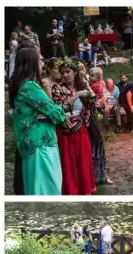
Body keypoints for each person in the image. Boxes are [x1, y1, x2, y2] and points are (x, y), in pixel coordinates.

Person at [10, 47, 66, 195]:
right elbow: (58, 114)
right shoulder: (30, 87)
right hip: (41, 146)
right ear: (32, 62)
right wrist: (52, 113)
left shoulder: (21, 85)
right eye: (40, 59)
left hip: (32, 146)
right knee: (47, 190)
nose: (42, 62)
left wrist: (44, 114)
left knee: (37, 188)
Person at [52, 57, 96, 195]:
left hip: (81, 130)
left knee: (82, 162)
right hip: (65, 131)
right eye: (62, 72)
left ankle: (84, 190)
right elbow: (59, 109)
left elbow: (93, 100)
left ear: (75, 72)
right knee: (68, 164)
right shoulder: (57, 88)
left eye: (68, 71)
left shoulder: (80, 85)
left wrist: (86, 85)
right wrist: (76, 95)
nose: (65, 75)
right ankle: (71, 191)